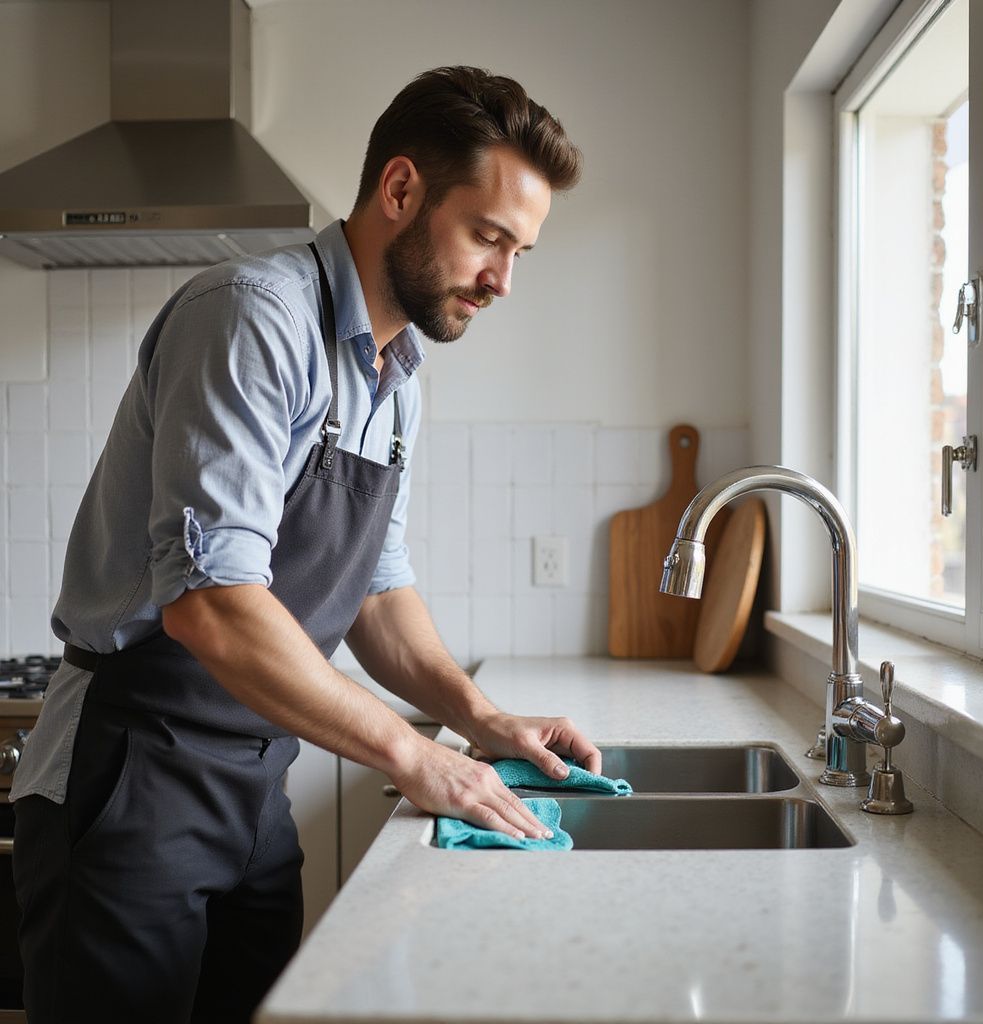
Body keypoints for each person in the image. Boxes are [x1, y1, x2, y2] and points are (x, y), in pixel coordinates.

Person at [11, 66, 600, 1023]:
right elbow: (212, 605)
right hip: (131, 780)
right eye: (489, 237)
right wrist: (416, 759)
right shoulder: (251, 318)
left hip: (255, 781)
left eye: (519, 251)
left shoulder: (399, 370)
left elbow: (375, 589)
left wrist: (481, 723)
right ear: (400, 190)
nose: (501, 280)